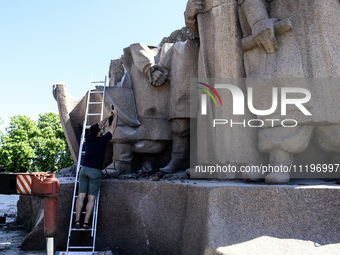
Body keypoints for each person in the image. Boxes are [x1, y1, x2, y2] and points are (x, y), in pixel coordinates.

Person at [74, 107, 117, 229]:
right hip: (95, 172)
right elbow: (112, 129)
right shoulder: (102, 140)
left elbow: (97, 126)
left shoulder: (88, 138)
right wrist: (116, 116)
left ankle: (77, 221)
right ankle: (86, 223)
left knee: (81, 196)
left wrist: (107, 116)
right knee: (91, 198)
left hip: (84, 170)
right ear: (99, 133)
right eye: (100, 130)